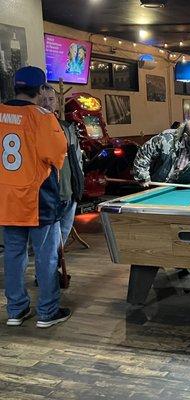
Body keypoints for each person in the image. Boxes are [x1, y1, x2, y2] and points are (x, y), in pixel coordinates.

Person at [0, 66, 70, 327]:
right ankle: (47, 312)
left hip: (6, 199)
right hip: (38, 199)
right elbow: (56, 155)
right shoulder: (43, 117)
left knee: (13, 256)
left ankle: (16, 311)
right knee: (46, 257)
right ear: (41, 90)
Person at [40, 84, 84, 245]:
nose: (47, 103)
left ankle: (55, 268)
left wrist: (79, 183)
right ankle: (49, 270)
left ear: (57, 103)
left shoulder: (67, 128)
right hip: (49, 197)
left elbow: (77, 158)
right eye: (43, 99)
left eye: (51, 99)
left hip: (70, 193)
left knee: (61, 240)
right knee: (48, 245)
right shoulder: (33, 128)